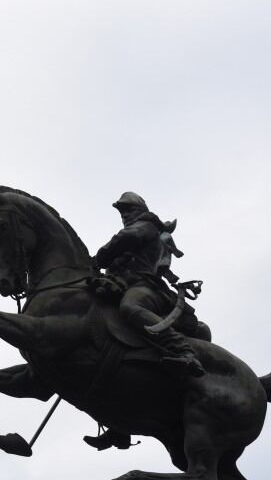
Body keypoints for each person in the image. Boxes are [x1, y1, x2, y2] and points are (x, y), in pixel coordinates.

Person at [84, 192, 206, 451]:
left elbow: (128, 238)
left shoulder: (147, 225)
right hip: (122, 283)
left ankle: (182, 350)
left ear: (139, 209)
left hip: (144, 286)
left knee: (131, 307)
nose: (124, 215)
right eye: (121, 211)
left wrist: (100, 256)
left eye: (127, 210)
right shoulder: (138, 230)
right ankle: (119, 428)